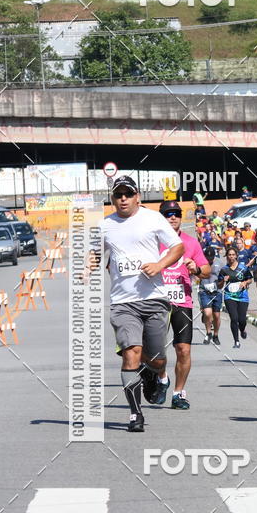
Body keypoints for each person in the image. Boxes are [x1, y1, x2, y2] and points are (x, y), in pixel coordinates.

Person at [91, 176, 184, 433]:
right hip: (123, 302)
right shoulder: (104, 225)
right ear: (112, 198)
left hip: (154, 299)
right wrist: (89, 265)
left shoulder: (153, 219)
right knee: (131, 351)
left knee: (157, 359)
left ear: (137, 197)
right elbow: (96, 253)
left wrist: (159, 265)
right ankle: (135, 413)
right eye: (118, 194)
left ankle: (157, 375)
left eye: (127, 194)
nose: (123, 198)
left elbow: (178, 247)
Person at [159, 200, 210, 409]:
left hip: (182, 300)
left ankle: (178, 393)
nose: (172, 217)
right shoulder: (152, 241)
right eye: (168, 214)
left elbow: (207, 270)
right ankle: (161, 377)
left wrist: (196, 268)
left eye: (176, 214)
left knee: (183, 350)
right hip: (157, 301)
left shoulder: (190, 242)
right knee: (154, 350)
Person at [218, 246, 252, 348]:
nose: (231, 257)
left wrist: (245, 282)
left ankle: (242, 329)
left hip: (242, 296)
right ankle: (236, 341)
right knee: (234, 318)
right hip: (229, 296)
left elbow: (250, 279)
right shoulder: (224, 270)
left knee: (242, 319)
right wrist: (223, 280)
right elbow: (219, 286)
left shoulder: (243, 268)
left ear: (236, 256)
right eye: (229, 255)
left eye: (233, 255)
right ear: (226, 256)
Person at [199, 245, 224, 345]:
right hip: (204, 290)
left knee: (216, 315)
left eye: (211, 258)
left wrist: (223, 280)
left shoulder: (219, 263)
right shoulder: (200, 263)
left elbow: (223, 276)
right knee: (207, 313)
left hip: (216, 291)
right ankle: (208, 333)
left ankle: (216, 335)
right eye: (208, 258)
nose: (210, 260)